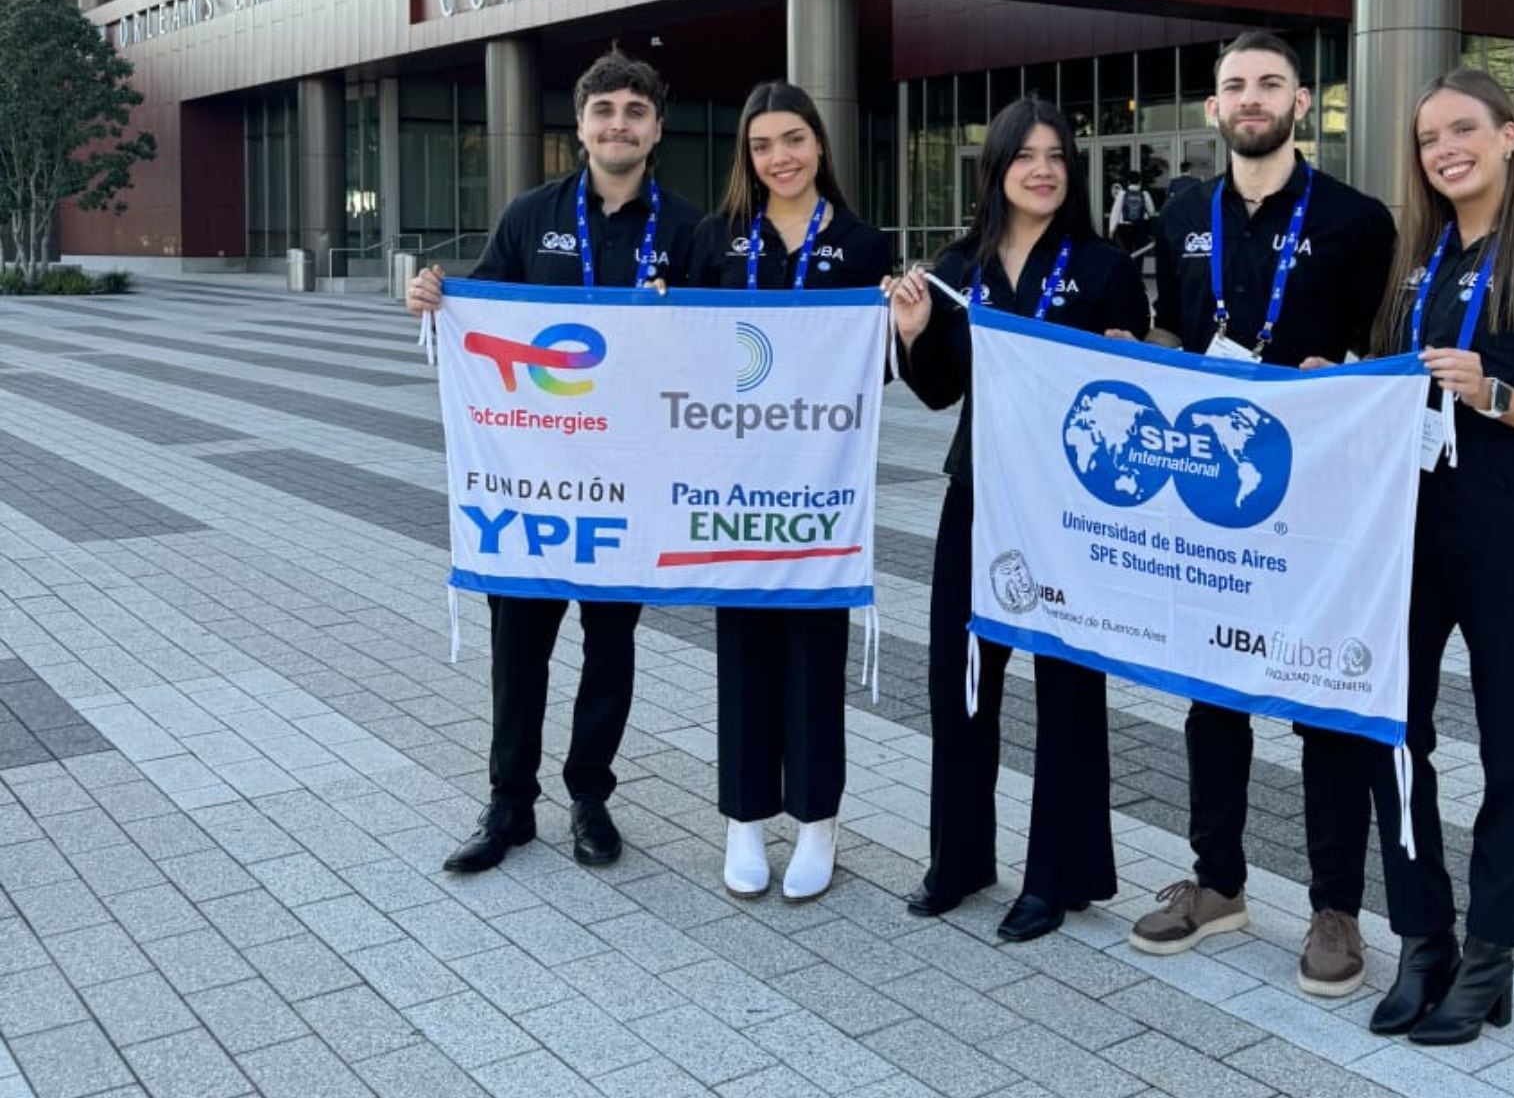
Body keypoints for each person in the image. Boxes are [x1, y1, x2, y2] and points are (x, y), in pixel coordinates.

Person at [1125, 30, 1395, 1000]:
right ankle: (1220, 882)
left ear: (1302, 101)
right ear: (1213, 108)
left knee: (1325, 705)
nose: (1252, 98)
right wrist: (1133, 348)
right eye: (1235, 85)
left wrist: (1351, 374)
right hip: (1215, 494)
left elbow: (1385, 359)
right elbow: (1182, 331)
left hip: (1320, 503)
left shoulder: (1360, 220)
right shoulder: (1184, 211)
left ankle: (1336, 907)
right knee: (1214, 696)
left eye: (1270, 83)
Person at [407, 47, 701, 873]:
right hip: (532, 483)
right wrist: (433, 301)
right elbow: (479, 318)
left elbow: (720, 349)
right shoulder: (530, 216)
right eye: (604, 111)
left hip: (630, 485)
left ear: (656, 130)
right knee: (519, 653)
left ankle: (591, 798)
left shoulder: (688, 229)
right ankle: (509, 807)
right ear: (579, 128)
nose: (619, 125)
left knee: (611, 650)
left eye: (634, 113)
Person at [1361, 68, 1514, 1045]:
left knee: (1513, 744)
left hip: (1503, 528)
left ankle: (1493, 952)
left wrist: (1492, 392)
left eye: (1463, 129)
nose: (1444, 149)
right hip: (1407, 533)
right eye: (1428, 138)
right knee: (1392, 728)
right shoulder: (1418, 262)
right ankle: (1425, 936)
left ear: (1509, 136)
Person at [886, 97, 1150, 941]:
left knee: (1069, 689)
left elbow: (1133, 390)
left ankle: (1057, 875)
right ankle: (957, 860)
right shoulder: (956, 267)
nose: (1043, 169)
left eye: (1057, 156)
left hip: (1072, 508)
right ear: (995, 169)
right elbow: (937, 392)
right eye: (1024, 155)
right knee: (961, 681)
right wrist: (916, 331)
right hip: (980, 493)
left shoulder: (1105, 265)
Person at [680, 81, 891, 902]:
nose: (781, 157)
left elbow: (872, 371)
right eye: (764, 144)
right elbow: (681, 351)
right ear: (749, 155)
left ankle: (815, 822)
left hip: (821, 487)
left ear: (820, 145)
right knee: (743, 651)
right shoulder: (715, 239)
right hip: (735, 487)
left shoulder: (863, 246)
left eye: (795, 139)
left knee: (814, 655)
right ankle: (743, 820)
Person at [1107, 173, 1156, 261]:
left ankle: (1128, 271)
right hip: (1141, 225)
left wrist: (1111, 230)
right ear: (1139, 182)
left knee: (1127, 251)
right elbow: (1151, 211)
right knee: (1139, 252)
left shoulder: (1122, 194)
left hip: (1125, 227)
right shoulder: (1144, 194)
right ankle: (1138, 271)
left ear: (1128, 182)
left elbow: (1116, 212)